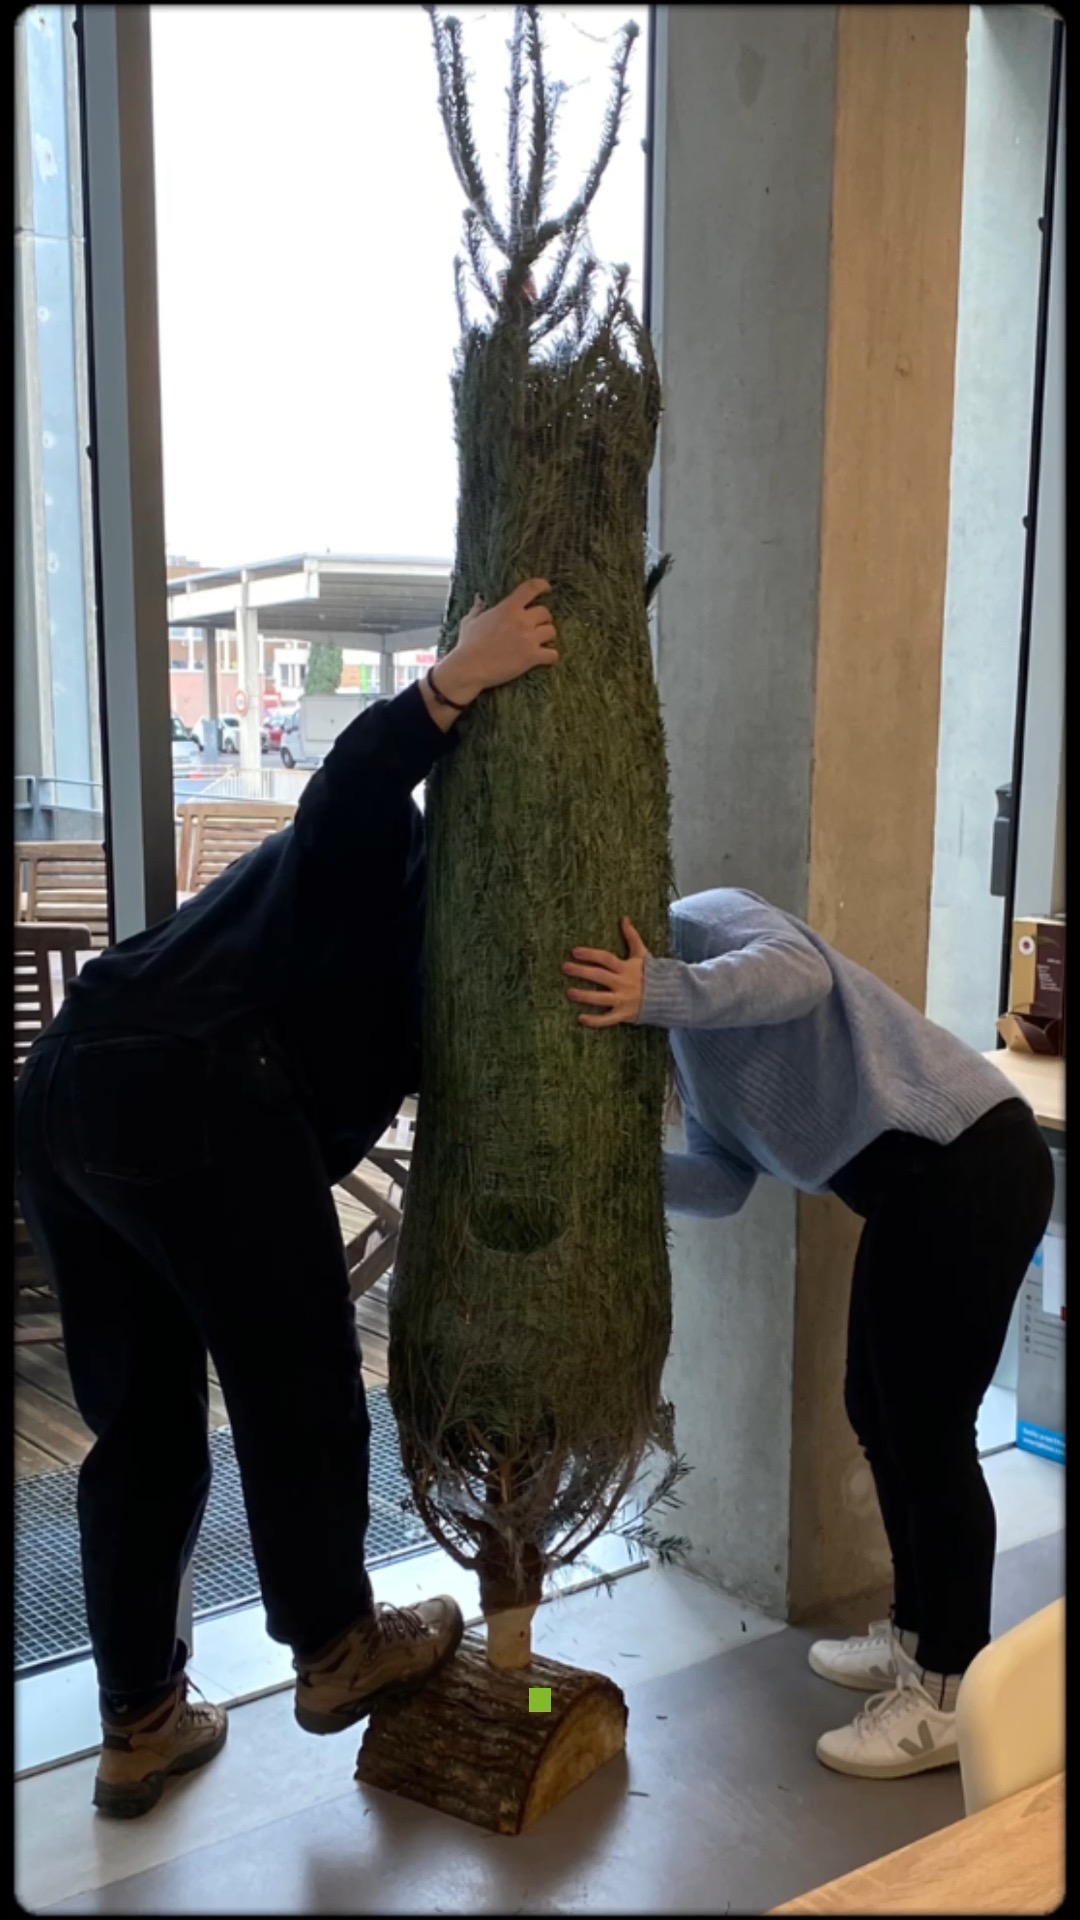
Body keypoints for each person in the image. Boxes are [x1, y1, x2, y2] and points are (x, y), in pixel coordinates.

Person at [15, 579, 558, 1818]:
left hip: (68, 1088)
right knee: (299, 1371)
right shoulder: (401, 863)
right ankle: (334, 1643)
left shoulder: (436, 940)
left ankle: (140, 1721)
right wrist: (454, 680)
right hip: (201, 1092)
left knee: (143, 1429)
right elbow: (350, 791)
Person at [562, 885, 1053, 1781]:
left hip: (969, 1161)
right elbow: (723, 1179)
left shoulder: (706, 920)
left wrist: (658, 988)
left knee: (928, 1435)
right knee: (877, 1410)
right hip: (916, 1192)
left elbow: (801, 972)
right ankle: (917, 1637)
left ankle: (949, 1695)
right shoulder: (686, 1044)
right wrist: (615, 1173)